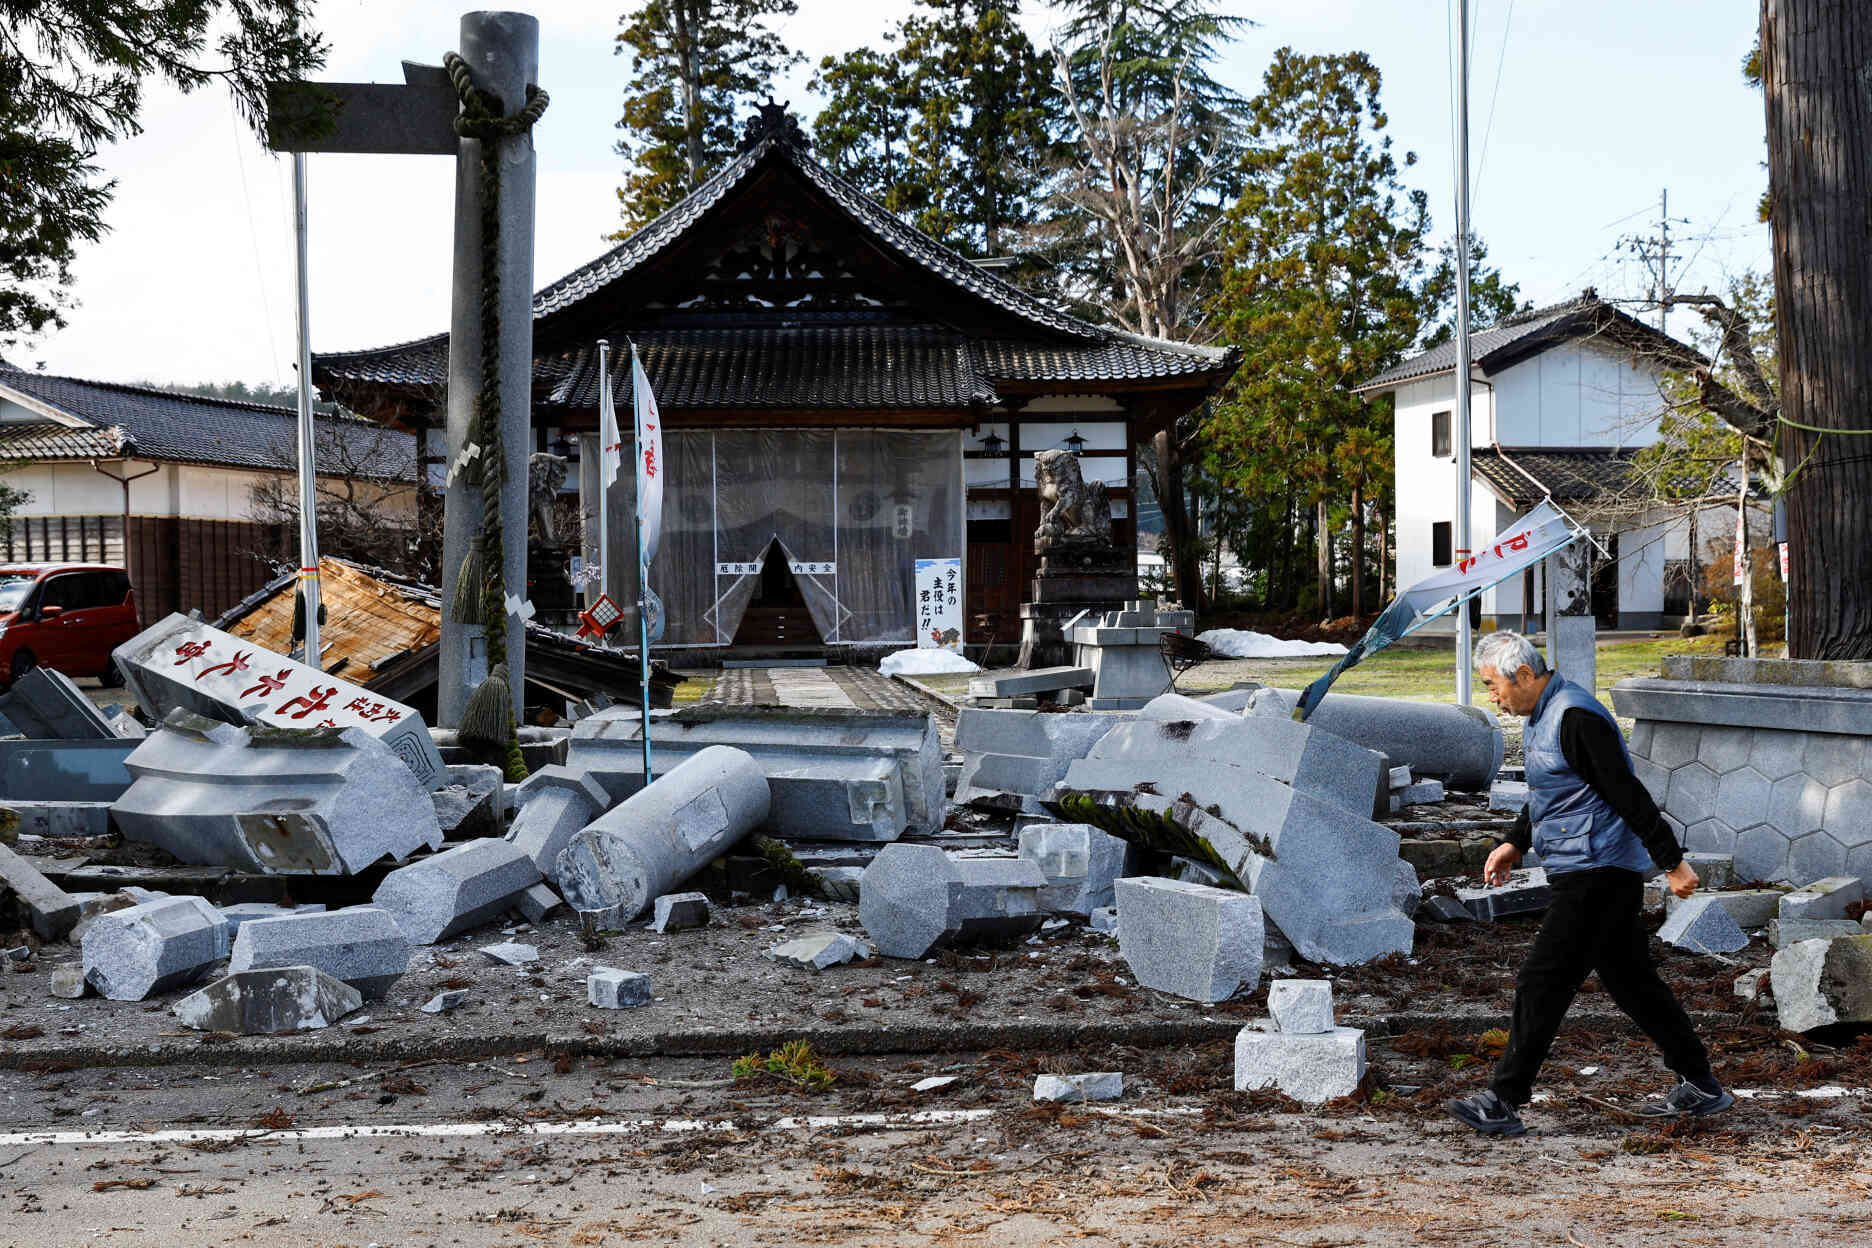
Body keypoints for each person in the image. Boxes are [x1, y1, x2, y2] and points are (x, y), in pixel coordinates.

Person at [1447, 631, 1734, 1136]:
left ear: (1524, 676)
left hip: (1597, 872)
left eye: (1494, 685)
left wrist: (1672, 862)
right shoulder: (1542, 716)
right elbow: (1548, 790)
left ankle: (1504, 1098)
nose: (1491, 696)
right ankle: (1702, 1083)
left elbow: (1627, 793)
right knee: (1632, 983)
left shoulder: (1575, 717)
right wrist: (1515, 842)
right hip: (1584, 867)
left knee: (1543, 979)